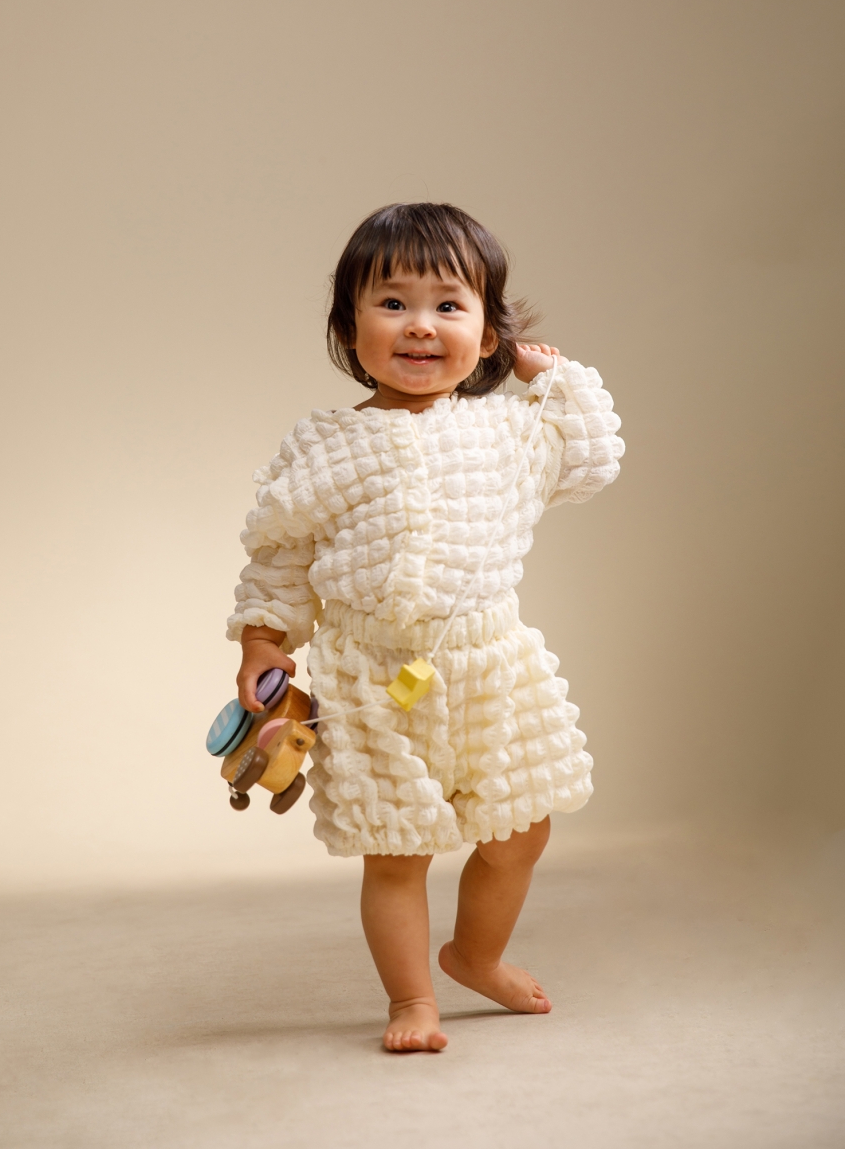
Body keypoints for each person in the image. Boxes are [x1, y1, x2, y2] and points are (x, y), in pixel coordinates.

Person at [228, 203, 624, 1052]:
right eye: (392, 303)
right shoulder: (325, 449)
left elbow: (592, 460)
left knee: (522, 832)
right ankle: (412, 1001)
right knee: (395, 850)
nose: (420, 325)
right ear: (350, 328)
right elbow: (280, 557)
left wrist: (551, 378)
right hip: (372, 680)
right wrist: (264, 639)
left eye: (449, 305)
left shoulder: (510, 430)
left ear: (488, 336)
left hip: (492, 667)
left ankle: (476, 955)